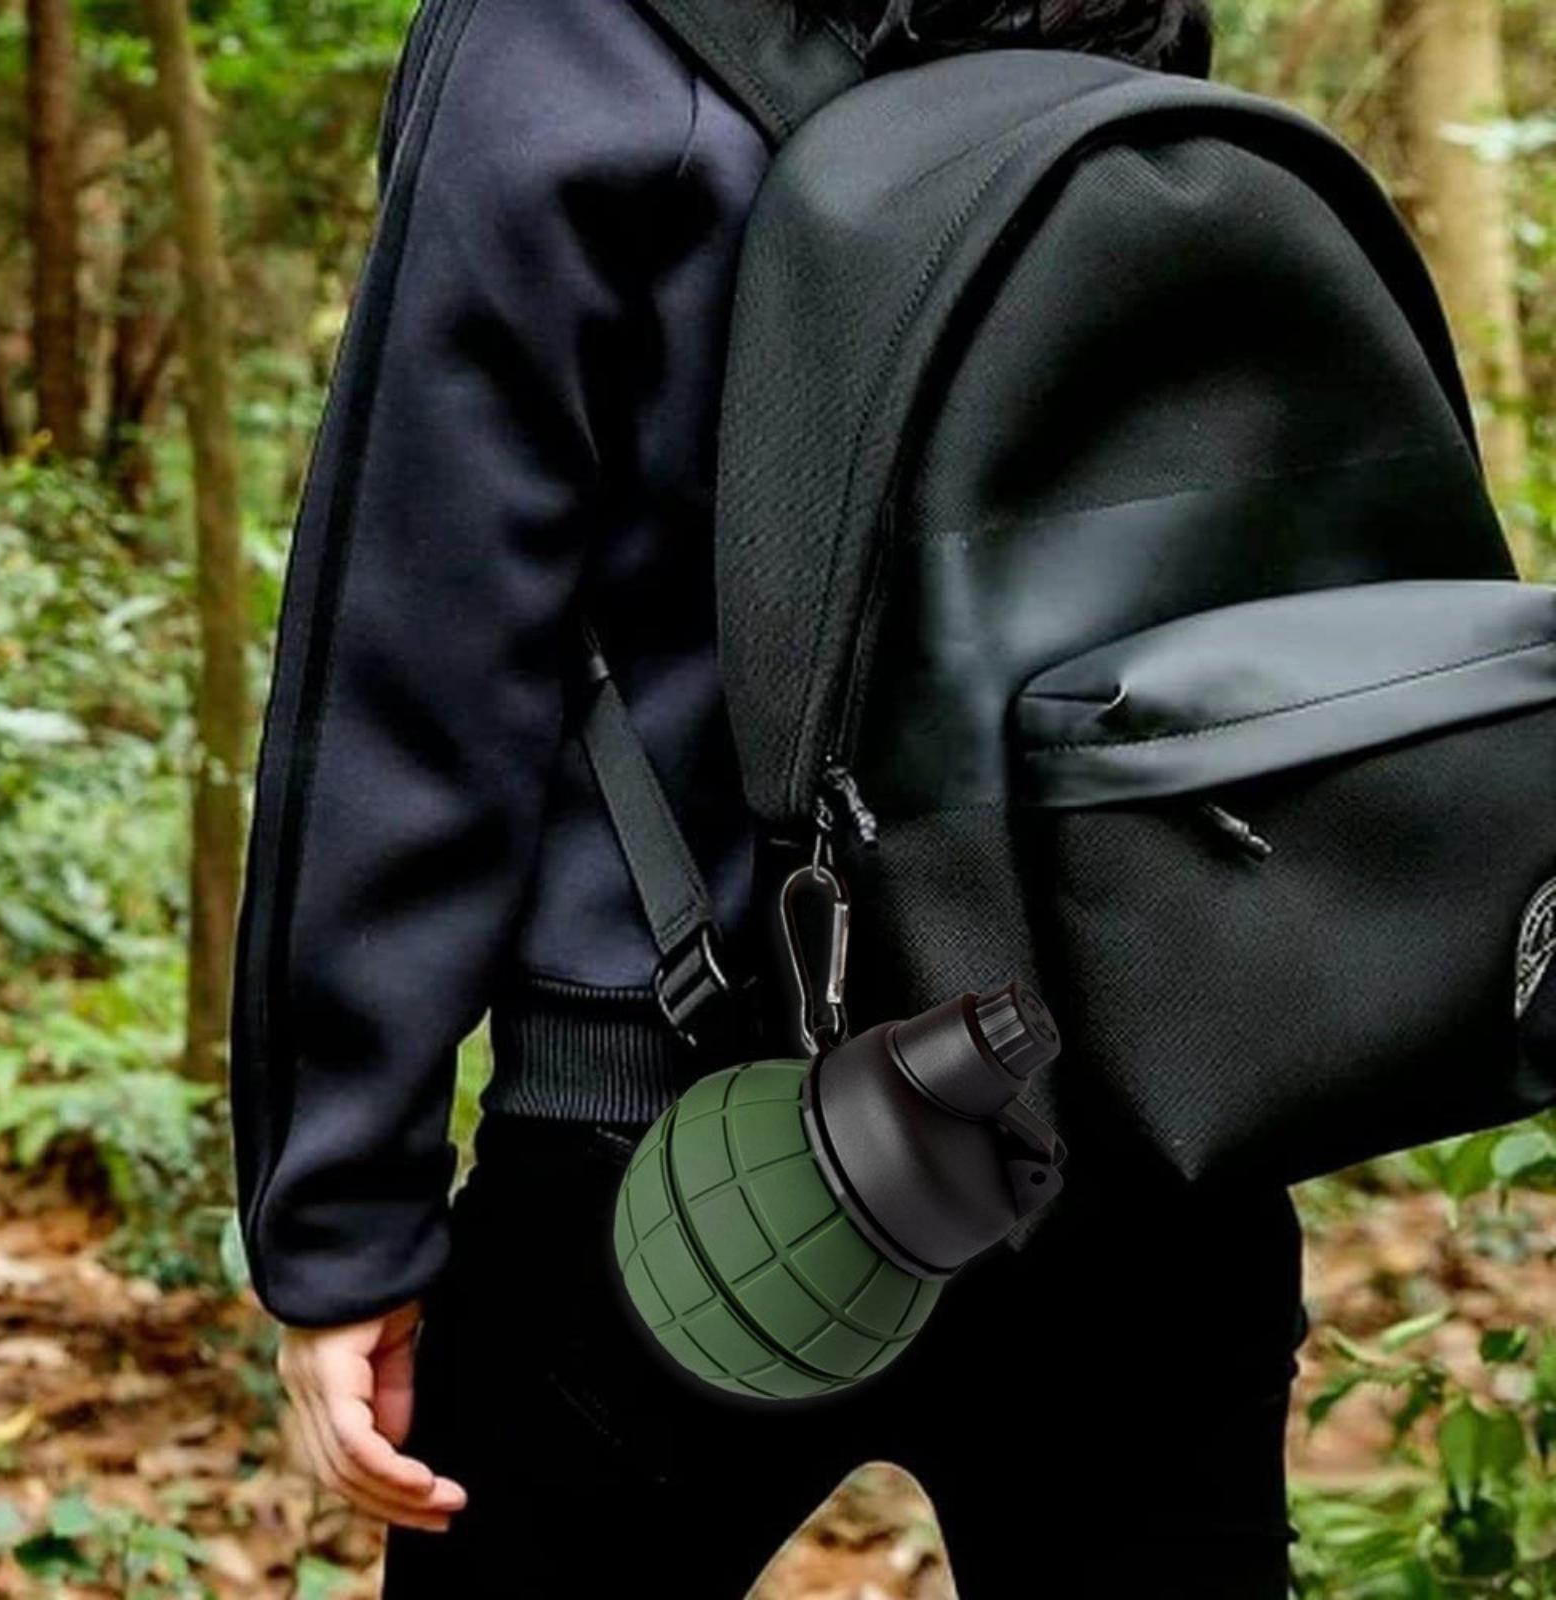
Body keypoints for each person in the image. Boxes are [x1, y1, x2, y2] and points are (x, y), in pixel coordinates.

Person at [228, 1, 1307, 1594]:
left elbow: (422, 633)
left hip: (662, 1148)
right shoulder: (1128, 15)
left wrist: (341, 1220)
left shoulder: (562, 37)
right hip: (1128, 1120)